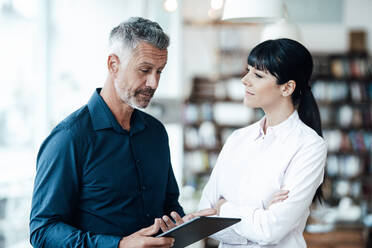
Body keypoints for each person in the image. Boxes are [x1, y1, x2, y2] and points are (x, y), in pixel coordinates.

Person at [30, 17, 214, 248]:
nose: (154, 82)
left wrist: (185, 223)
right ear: (113, 65)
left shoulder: (156, 133)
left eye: (160, 71)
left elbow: (169, 206)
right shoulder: (69, 138)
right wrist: (119, 245)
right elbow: (43, 231)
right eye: (145, 70)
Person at [198, 38, 327, 247]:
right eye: (248, 70)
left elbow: (270, 230)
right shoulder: (237, 139)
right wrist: (259, 214)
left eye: (257, 75)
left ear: (287, 88)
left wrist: (225, 209)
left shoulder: (309, 145)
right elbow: (206, 219)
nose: (245, 80)